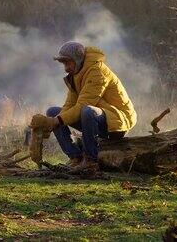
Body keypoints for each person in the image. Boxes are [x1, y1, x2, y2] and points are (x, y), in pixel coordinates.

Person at [30, 41, 137, 173]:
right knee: (53, 112)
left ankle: (91, 161)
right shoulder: (76, 73)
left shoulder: (97, 71)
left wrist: (54, 122)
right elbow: (69, 105)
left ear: (77, 59)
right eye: (63, 63)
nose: (65, 68)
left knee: (87, 110)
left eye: (67, 62)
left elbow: (82, 106)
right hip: (97, 117)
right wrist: (53, 121)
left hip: (118, 121)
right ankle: (76, 157)